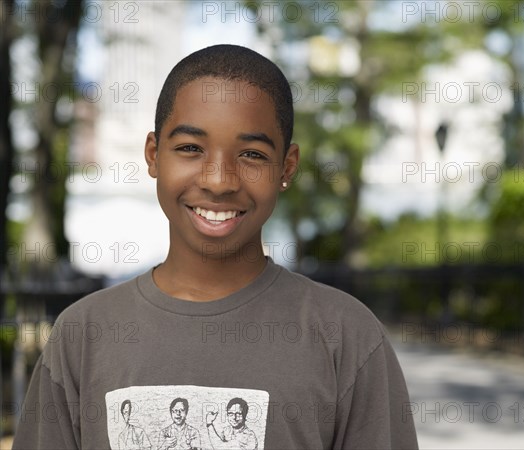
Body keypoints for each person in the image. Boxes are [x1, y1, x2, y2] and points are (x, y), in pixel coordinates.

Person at [12, 44, 418, 449]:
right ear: (154, 155)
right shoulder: (83, 335)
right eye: (190, 148)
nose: (219, 180)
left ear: (286, 167)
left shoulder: (346, 337)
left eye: (251, 154)